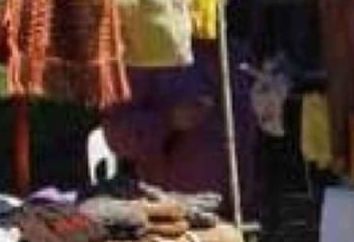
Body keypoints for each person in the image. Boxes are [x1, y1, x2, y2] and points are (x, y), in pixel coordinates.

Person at [102, 39, 256, 218]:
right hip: (178, 212)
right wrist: (168, 121)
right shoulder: (147, 53)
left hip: (243, 209)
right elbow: (117, 135)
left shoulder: (237, 52)